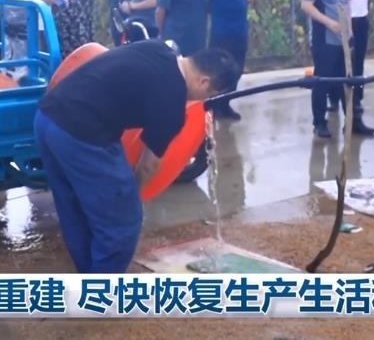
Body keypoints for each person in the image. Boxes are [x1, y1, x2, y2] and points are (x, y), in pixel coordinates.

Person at [34, 41, 241, 272]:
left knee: (74, 209)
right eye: (210, 94)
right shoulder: (172, 103)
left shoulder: (157, 48)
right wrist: (132, 196)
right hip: (81, 134)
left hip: (47, 116)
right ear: (204, 82)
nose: (203, 100)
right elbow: (148, 165)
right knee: (122, 224)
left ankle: (88, 278)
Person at [300, 0, 374, 138]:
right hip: (324, 38)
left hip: (343, 38)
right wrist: (329, 23)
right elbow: (306, 5)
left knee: (348, 80)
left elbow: (345, 5)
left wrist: (349, 32)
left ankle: (353, 122)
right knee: (322, 81)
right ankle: (319, 123)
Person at [208, 0, 255, 121]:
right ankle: (215, 105)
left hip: (240, 28)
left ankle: (226, 104)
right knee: (220, 68)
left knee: (237, 68)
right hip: (221, 29)